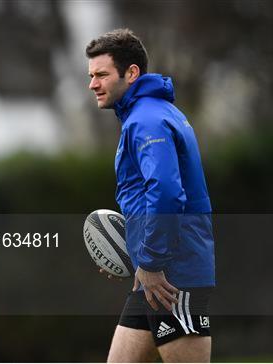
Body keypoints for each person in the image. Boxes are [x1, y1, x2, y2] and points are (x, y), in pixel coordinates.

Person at [85, 29, 216, 363]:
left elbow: (168, 195)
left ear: (131, 74)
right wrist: (133, 256)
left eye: (101, 75)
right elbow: (148, 200)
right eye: (91, 76)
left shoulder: (147, 121)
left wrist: (152, 262)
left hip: (172, 277)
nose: (93, 84)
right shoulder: (149, 114)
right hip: (153, 275)